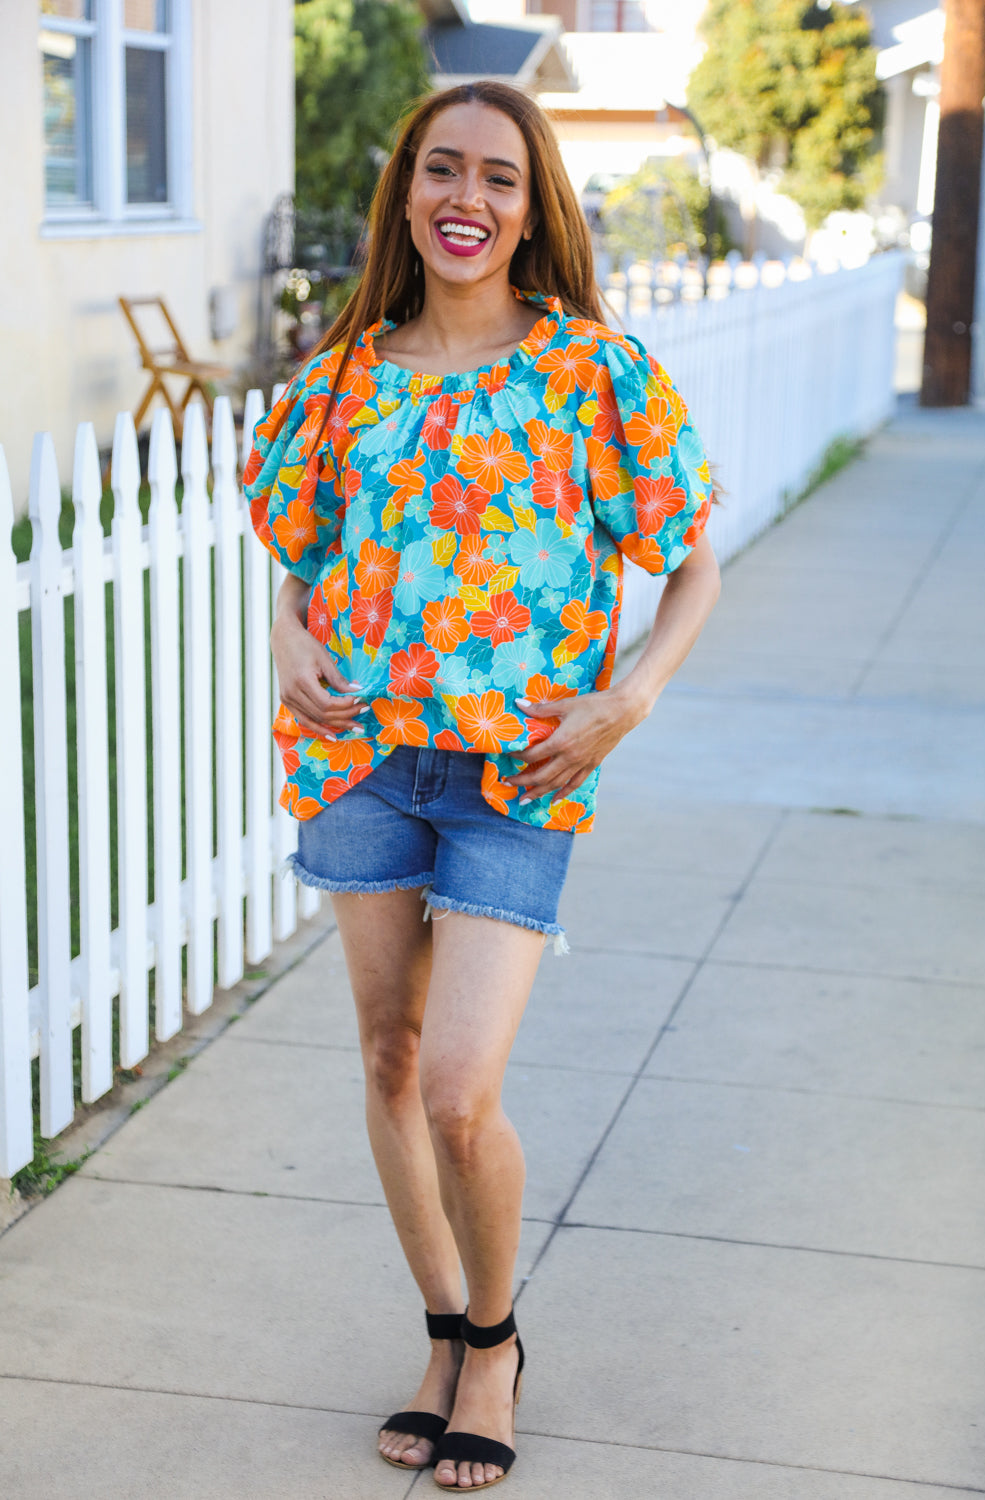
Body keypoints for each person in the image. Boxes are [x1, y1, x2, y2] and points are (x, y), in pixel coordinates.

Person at [243, 79, 720, 1492]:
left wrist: (627, 697)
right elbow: (296, 551)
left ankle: (500, 1343)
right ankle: (442, 1331)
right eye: (442, 170)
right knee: (388, 1058)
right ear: (406, 194)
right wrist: (287, 636)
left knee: (459, 1088)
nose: (467, 198)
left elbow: (691, 554)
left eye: (498, 178)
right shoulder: (345, 373)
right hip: (363, 761)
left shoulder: (591, 374)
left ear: (532, 208)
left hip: (518, 777)